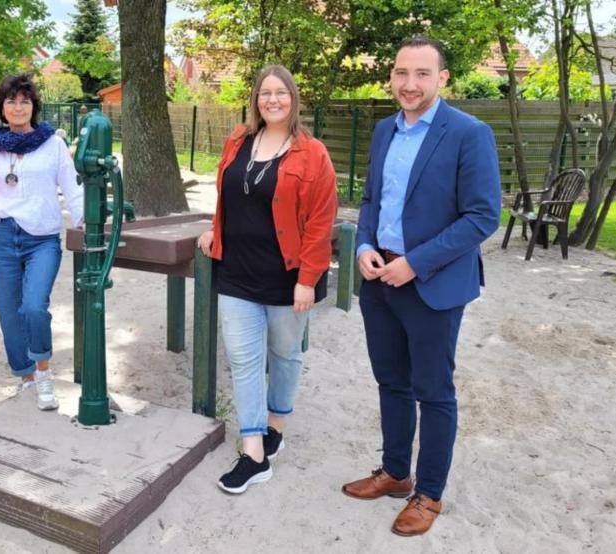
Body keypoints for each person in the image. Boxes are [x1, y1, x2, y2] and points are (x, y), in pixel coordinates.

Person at [341, 36, 501, 536]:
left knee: (433, 393)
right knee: (391, 382)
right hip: (378, 279)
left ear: (443, 78)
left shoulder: (468, 133)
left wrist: (415, 263)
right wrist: (364, 243)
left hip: (432, 283)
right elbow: (371, 199)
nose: (409, 84)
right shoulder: (385, 130)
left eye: (422, 74)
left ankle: (428, 494)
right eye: (401, 73)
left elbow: (482, 216)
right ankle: (394, 473)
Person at [197, 65, 338, 494]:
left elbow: (320, 221)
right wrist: (214, 231)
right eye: (264, 93)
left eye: (280, 93)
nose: (272, 100)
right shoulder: (238, 141)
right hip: (237, 272)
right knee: (243, 360)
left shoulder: (312, 153)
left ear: (293, 99)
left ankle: (276, 423)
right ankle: (254, 452)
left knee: (285, 355)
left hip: (287, 277)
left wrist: (307, 278)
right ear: (256, 99)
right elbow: (229, 197)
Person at [0, 74, 83, 410]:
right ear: (2, 108)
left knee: (34, 306)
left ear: (34, 106)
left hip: (41, 238)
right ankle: (25, 377)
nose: (18, 107)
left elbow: (73, 186)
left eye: (25, 101)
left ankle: (43, 372)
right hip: (2, 237)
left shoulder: (52, 144)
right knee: (9, 313)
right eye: (12, 101)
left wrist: (85, 223)